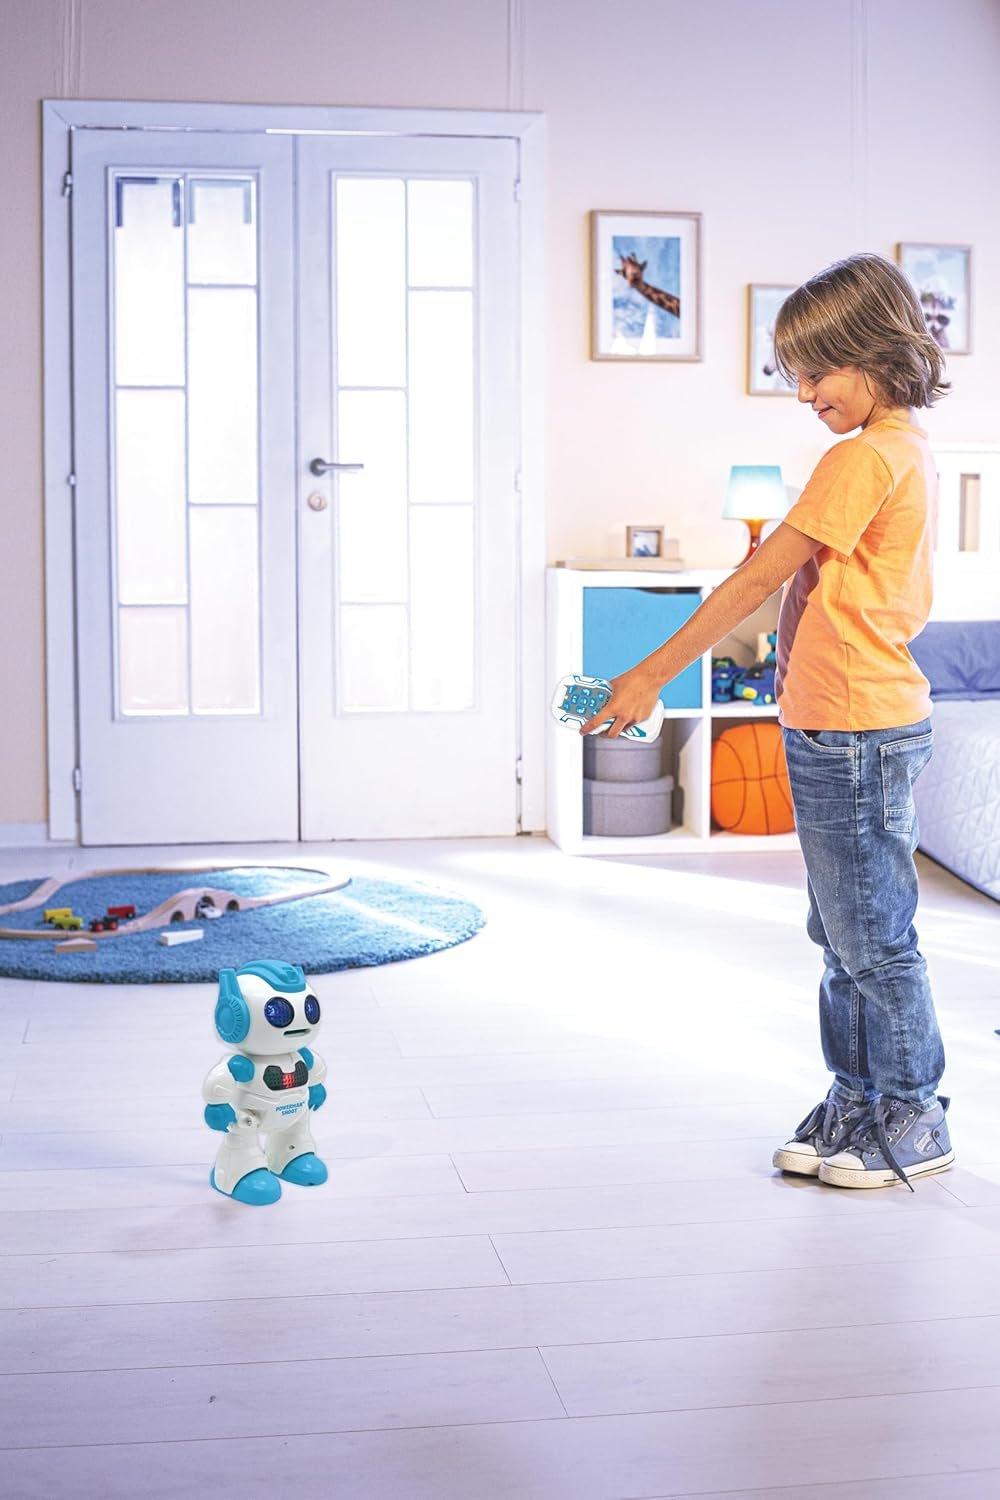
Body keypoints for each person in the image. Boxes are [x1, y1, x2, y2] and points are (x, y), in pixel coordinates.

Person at [580, 252, 953, 1191]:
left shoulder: (862, 456)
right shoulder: (899, 449)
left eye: (817, 371)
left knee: (872, 938)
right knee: (842, 931)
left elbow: (757, 578)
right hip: (840, 723)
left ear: (872, 352)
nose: (804, 393)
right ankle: (858, 1096)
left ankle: (914, 1111)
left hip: (855, 729)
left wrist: (650, 673)